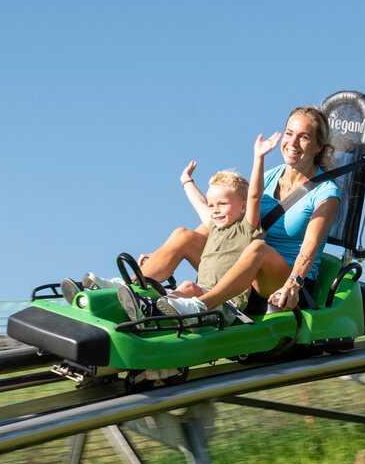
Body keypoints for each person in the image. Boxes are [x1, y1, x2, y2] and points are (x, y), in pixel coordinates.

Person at [155, 106, 343, 316]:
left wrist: (293, 283)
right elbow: (230, 218)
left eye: (304, 137)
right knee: (184, 236)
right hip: (245, 265)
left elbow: (310, 247)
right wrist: (164, 253)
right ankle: (135, 290)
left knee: (257, 249)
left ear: (318, 146)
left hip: (286, 279)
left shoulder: (327, 193)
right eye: (289, 133)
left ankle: (202, 306)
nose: (292, 142)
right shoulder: (271, 176)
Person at [103, 155, 266, 315]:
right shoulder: (215, 226)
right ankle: (130, 294)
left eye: (222, 204)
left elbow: (254, 197)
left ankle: (151, 309)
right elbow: (200, 203)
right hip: (198, 296)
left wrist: (259, 157)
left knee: (188, 286)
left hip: (225, 303)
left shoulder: (246, 229)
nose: (215, 210)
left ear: (243, 207)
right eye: (212, 205)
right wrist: (186, 180)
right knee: (173, 289)